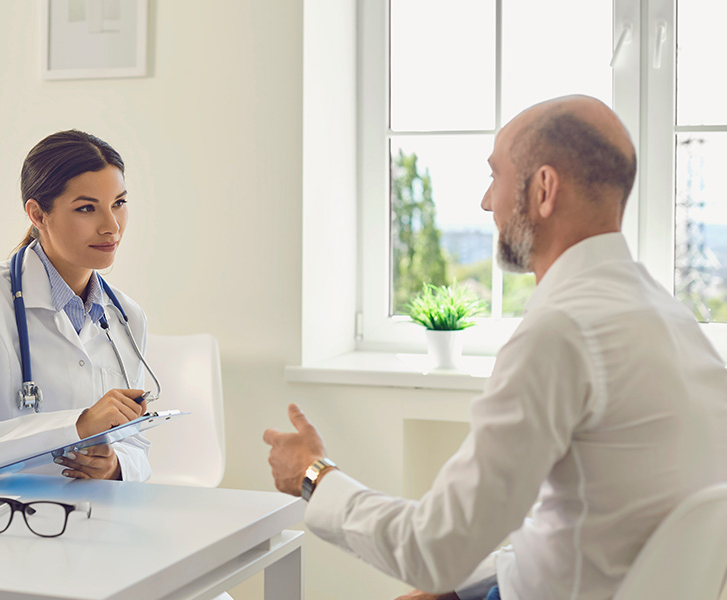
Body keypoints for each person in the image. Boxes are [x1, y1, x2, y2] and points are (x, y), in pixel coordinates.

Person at [263, 95, 727, 600]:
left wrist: (314, 474)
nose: (488, 202)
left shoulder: (560, 332)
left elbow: (433, 549)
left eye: (496, 177)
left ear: (543, 190)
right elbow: (585, 536)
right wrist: (465, 588)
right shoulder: (673, 321)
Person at [0, 130, 152, 483]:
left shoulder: (126, 317)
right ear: (38, 214)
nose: (111, 227)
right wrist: (76, 426)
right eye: (87, 208)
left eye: (118, 203)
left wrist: (114, 466)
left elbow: (135, 445)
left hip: (95, 517)